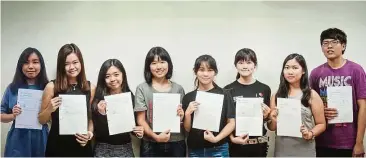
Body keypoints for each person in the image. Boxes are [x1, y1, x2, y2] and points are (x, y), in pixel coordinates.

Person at [310, 28, 366, 157]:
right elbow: (309, 106)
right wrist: (320, 111)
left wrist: (359, 142)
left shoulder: (356, 70)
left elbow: (363, 107)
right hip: (322, 141)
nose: (329, 46)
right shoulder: (316, 73)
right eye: (325, 43)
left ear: (343, 45)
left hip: (348, 142)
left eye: (334, 42)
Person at [38, 43, 95, 157]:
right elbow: (41, 120)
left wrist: (89, 133)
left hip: (82, 146)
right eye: (66, 64)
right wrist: (49, 109)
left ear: (81, 63)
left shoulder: (90, 88)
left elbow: (89, 119)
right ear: (61, 66)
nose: (72, 67)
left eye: (75, 62)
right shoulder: (51, 87)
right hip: (57, 146)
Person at [267, 53, 326, 157]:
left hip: (305, 149)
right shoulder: (276, 95)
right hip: (282, 150)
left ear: (303, 71)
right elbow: (272, 127)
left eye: (295, 68)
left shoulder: (311, 94)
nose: (290, 71)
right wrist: (273, 119)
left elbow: (321, 124)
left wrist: (310, 134)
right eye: (287, 68)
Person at [134, 46, 186, 157]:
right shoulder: (142, 89)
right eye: (154, 63)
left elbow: (182, 120)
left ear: (169, 64)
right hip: (150, 143)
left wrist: (181, 116)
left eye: (162, 62)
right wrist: (156, 137)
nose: (158, 67)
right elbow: (141, 120)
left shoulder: (178, 89)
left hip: (176, 142)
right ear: (148, 67)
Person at [182, 54, 235, 157]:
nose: (205, 74)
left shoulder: (224, 94)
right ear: (195, 71)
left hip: (219, 148)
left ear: (215, 72)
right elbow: (187, 129)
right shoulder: (188, 97)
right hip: (195, 149)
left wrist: (216, 139)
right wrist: (187, 113)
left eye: (210, 70)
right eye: (201, 70)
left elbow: (231, 123)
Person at [1, 47, 49, 157]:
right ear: (20, 66)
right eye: (26, 63)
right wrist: (13, 115)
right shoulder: (12, 88)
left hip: (41, 140)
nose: (31, 66)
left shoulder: (48, 87)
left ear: (41, 65)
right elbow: (1, 115)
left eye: (35, 62)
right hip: (18, 141)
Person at [224, 48, 271, 157]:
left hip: (259, 145)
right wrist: (232, 138)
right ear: (236, 65)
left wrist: (268, 115)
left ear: (255, 65)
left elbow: (268, 120)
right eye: (241, 62)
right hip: (235, 145)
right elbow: (226, 120)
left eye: (249, 62)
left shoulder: (264, 89)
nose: (245, 66)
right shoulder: (227, 90)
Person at [92, 59, 144, 157]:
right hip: (102, 149)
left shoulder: (130, 97)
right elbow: (97, 131)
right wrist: (101, 114)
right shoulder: (98, 99)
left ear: (122, 75)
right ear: (103, 79)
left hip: (125, 148)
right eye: (107, 76)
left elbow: (132, 127)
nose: (112, 79)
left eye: (116, 74)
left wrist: (138, 132)